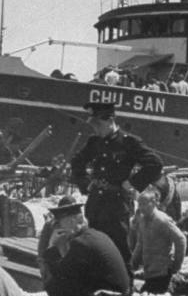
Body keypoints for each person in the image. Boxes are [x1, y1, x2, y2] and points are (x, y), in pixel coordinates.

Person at [68, 101, 163, 265]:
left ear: (109, 120)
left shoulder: (128, 142)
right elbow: (77, 162)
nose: (95, 129)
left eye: (98, 124)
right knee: (95, 252)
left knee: (120, 253)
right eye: (93, 125)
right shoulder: (94, 142)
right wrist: (86, 183)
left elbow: (155, 163)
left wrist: (132, 183)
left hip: (116, 207)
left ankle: (125, 281)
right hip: (96, 206)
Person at [42, 200, 131, 296]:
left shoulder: (80, 243)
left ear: (71, 222)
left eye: (59, 224)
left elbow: (60, 275)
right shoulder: (95, 234)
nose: (57, 228)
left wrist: (52, 246)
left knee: (52, 285)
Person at [130, 191, 186, 294]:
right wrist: (133, 263)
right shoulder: (142, 220)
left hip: (162, 271)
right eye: (140, 204)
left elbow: (180, 239)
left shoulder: (162, 220)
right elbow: (140, 243)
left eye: (144, 204)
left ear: (154, 203)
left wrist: (177, 264)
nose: (141, 207)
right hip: (149, 271)